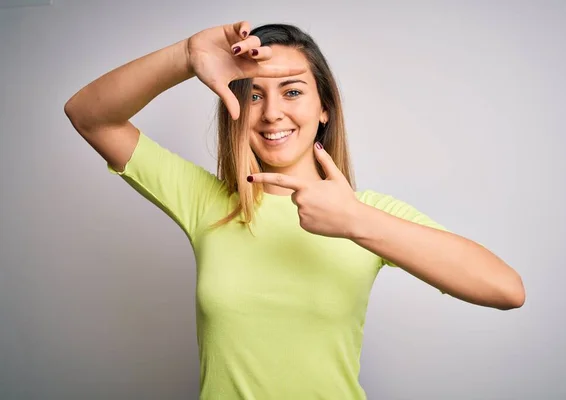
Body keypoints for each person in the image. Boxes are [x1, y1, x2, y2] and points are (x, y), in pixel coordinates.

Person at [64, 20, 525, 400]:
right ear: (234, 106)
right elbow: (88, 114)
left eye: (292, 92)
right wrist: (186, 55)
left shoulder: (368, 214)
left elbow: (505, 289)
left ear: (324, 107)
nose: (271, 114)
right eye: (254, 94)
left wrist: (356, 222)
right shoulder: (207, 203)